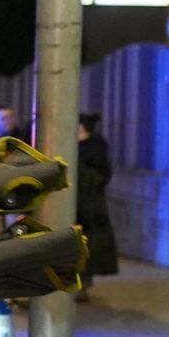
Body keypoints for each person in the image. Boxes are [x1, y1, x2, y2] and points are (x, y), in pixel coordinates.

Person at [75, 112, 119, 295]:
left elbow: (102, 175)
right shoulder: (72, 145)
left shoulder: (95, 147)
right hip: (75, 203)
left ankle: (83, 283)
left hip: (89, 206)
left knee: (88, 245)